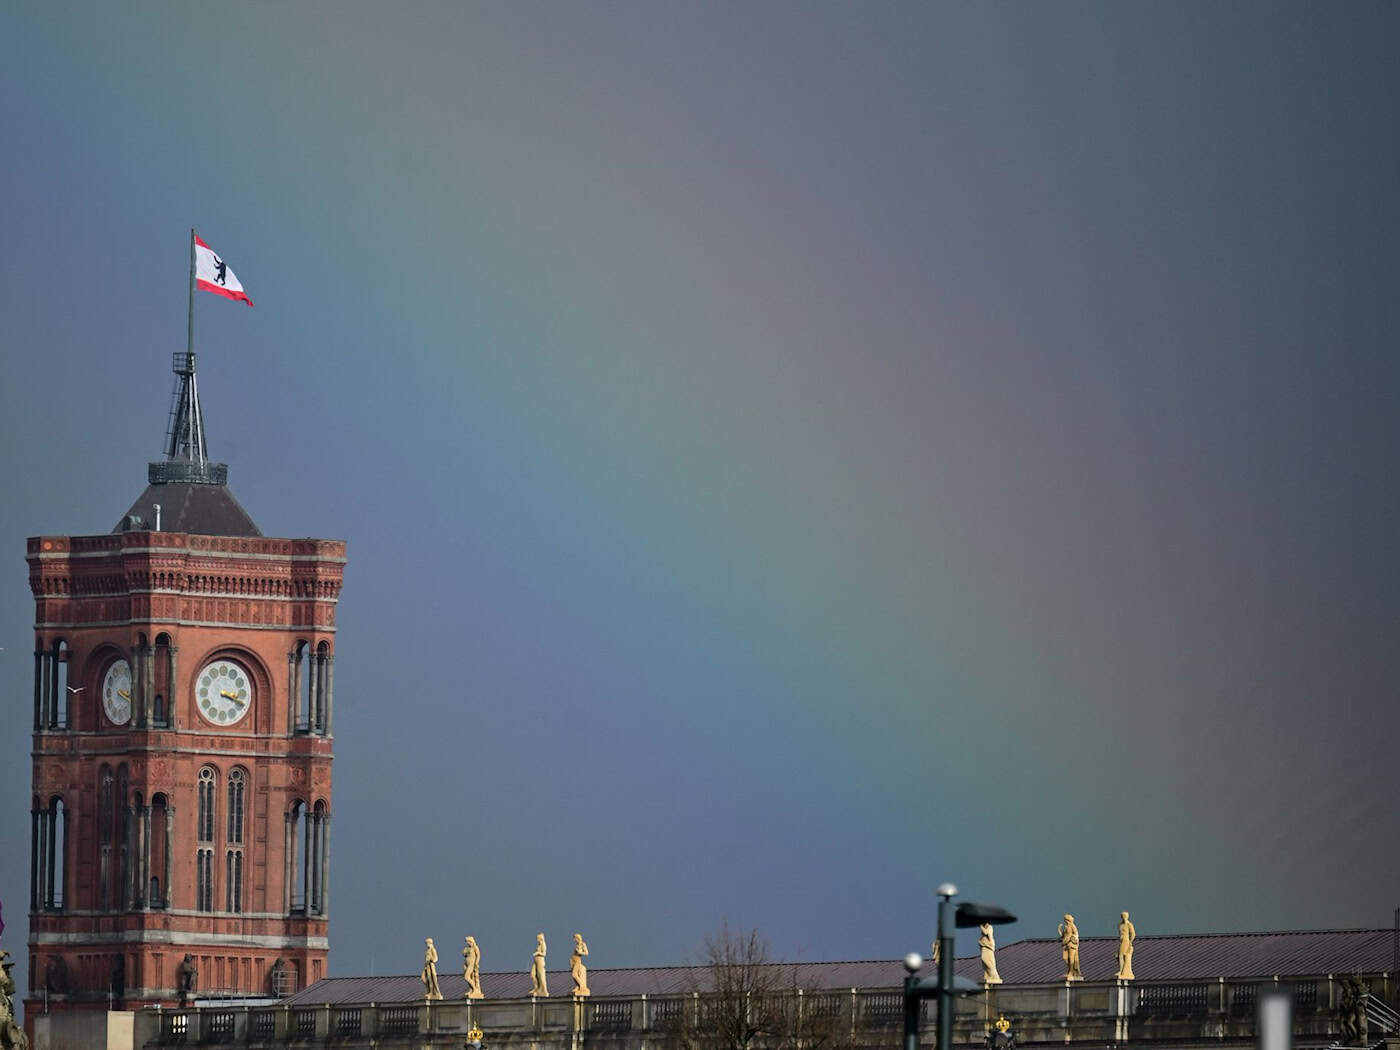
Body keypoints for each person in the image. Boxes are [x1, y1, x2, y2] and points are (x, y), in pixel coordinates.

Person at [1058, 915, 1081, 981]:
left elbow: (1076, 934)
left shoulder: (1073, 926)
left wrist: (1072, 939)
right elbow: (1063, 936)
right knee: (1065, 958)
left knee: (1071, 959)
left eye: (1066, 920)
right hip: (1066, 944)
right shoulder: (1066, 927)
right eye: (1065, 920)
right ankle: (1070, 971)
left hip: (1072, 945)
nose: (1066, 921)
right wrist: (1059, 930)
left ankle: (1071, 972)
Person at [1116, 912, 1136, 981]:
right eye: (1122, 916)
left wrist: (1130, 942)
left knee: (1121, 955)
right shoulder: (1120, 925)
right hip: (1121, 941)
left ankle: (1122, 971)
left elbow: (1133, 934)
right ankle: (1121, 970)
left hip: (1126, 941)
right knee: (1119, 955)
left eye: (1124, 916)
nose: (1123, 917)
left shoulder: (1129, 925)